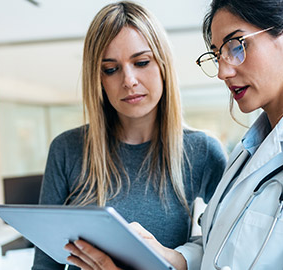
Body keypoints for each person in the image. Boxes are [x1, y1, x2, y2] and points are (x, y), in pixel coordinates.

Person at [64, 0, 283, 269]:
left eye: (237, 46)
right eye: (217, 53)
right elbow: (217, 249)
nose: (223, 70)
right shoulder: (247, 153)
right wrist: (167, 257)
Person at [32, 1, 227, 269]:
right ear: (98, 79)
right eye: (111, 69)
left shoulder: (201, 151)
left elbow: (229, 247)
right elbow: (45, 264)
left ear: (163, 65)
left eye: (141, 62)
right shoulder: (67, 149)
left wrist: (181, 259)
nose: (129, 80)